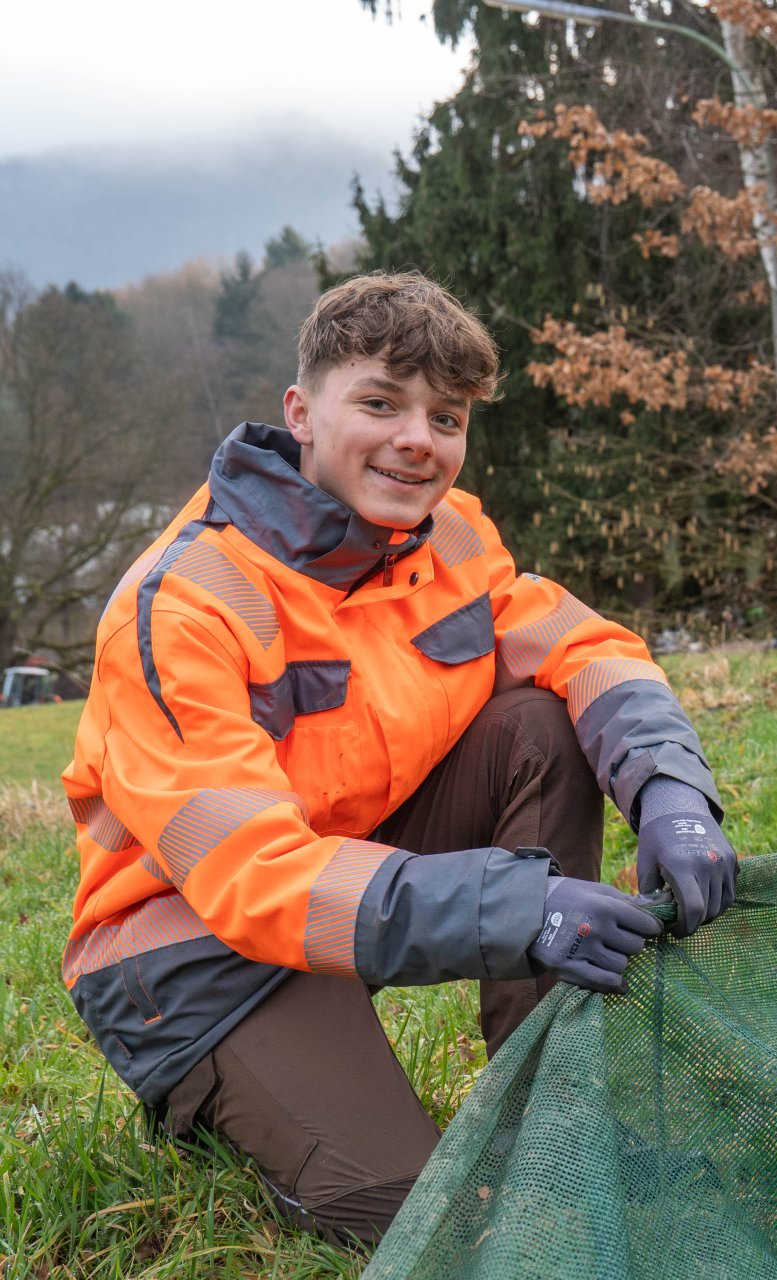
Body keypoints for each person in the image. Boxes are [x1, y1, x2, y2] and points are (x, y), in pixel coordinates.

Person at [60, 272, 737, 1246]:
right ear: (302, 412)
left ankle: (550, 1088)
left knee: (539, 726)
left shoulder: (452, 531)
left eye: (447, 416)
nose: (419, 439)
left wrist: (671, 789)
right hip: (196, 951)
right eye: (381, 402)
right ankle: (216, 1084)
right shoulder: (186, 601)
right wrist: (517, 906)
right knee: (436, 1227)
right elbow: (250, 872)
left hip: (358, 878)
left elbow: (584, 648)